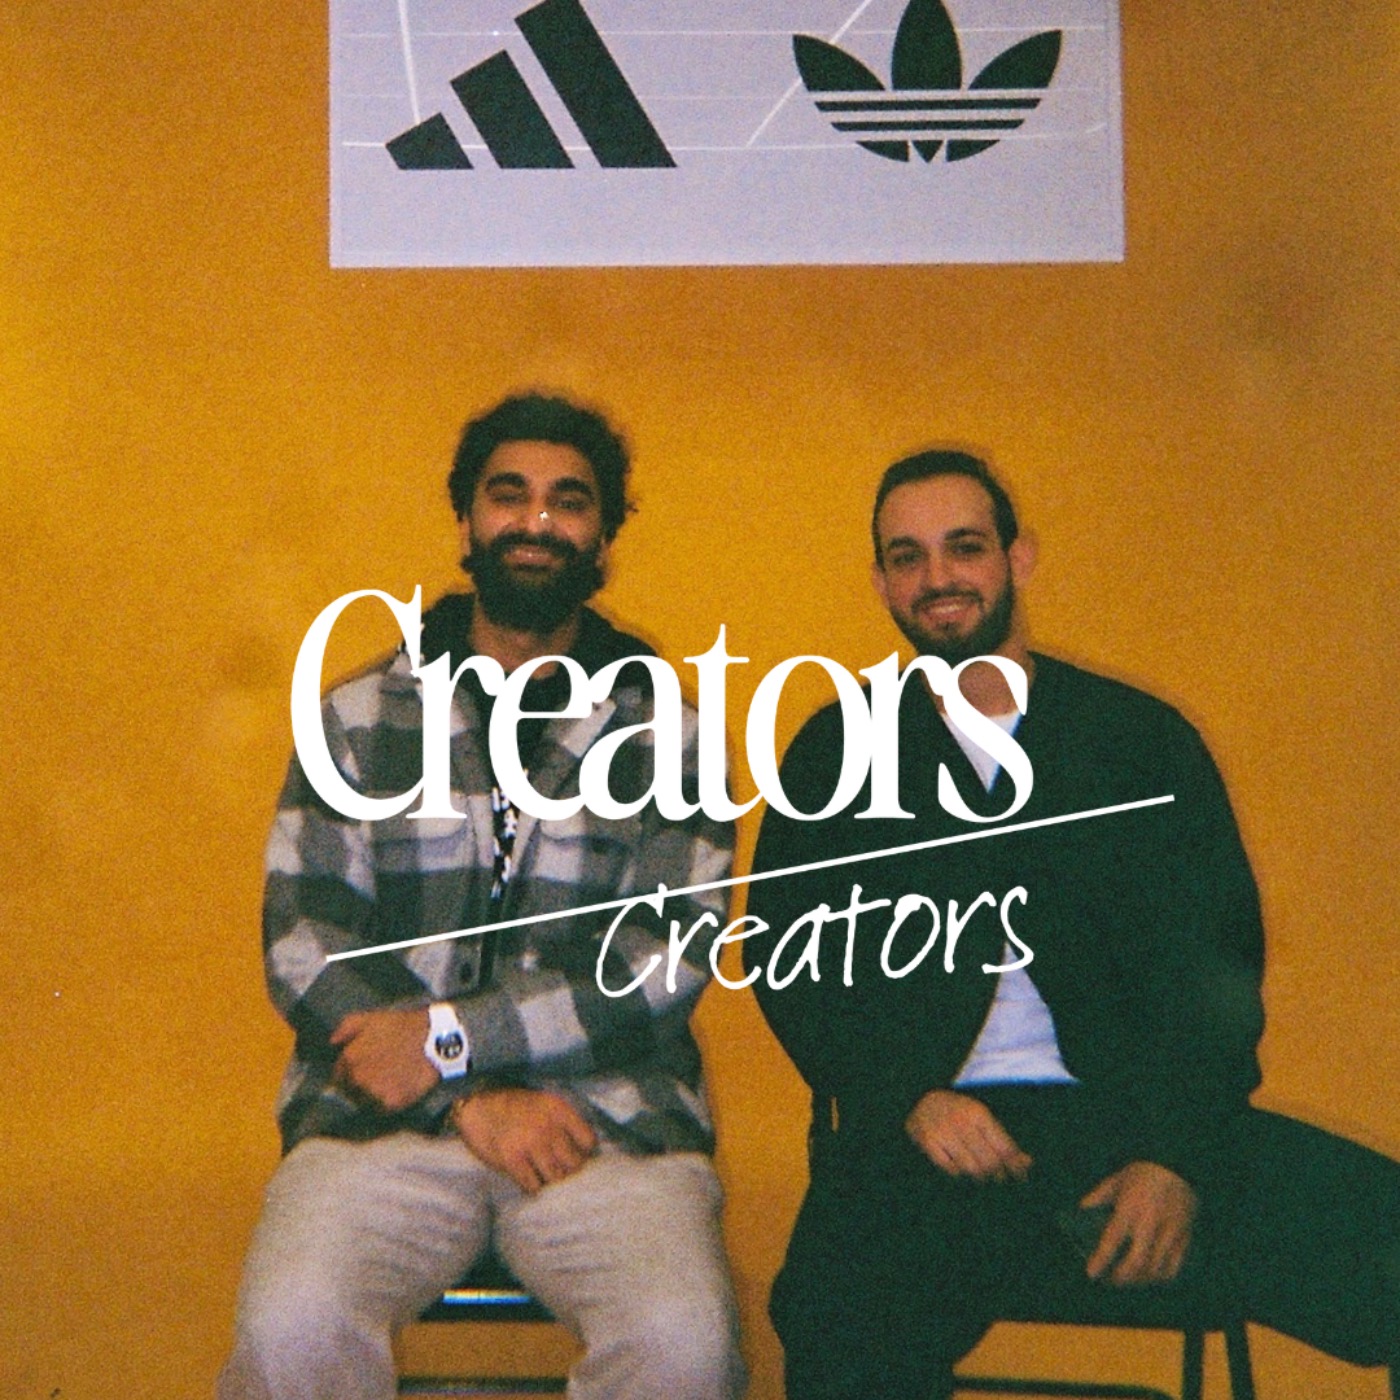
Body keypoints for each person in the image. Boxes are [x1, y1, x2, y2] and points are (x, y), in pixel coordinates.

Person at [743, 449, 1399, 1399]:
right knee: (838, 1312)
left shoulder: (1138, 742)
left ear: (1020, 557)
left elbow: (1215, 972)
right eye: (908, 556)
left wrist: (1174, 1156)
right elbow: (788, 959)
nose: (938, 578)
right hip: (929, 1139)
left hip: (1137, 1126)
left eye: (965, 547)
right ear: (881, 581)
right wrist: (907, 1097)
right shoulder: (838, 751)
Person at [219, 392, 745, 1400]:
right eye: (509, 495)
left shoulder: (672, 735)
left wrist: (455, 1042)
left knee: (682, 1344)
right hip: (381, 1122)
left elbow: (664, 958)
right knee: (290, 1328)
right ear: (466, 523)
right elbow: (304, 943)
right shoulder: (356, 716)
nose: (536, 521)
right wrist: (470, 1094)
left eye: (569, 501)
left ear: (603, 538)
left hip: (607, 1123)